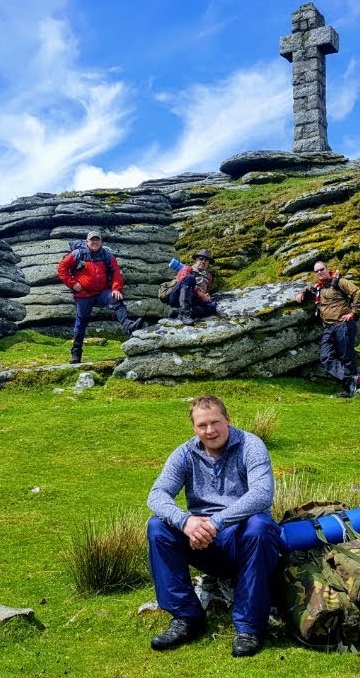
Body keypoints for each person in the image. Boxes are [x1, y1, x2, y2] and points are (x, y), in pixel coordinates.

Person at [146, 395, 280, 658]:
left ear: (227, 419)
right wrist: (185, 521)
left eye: (215, 422)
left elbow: (263, 494)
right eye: (202, 425)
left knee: (260, 525)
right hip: (202, 541)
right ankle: (186, 618)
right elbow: (157, 494)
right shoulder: (185, 453)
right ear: (194, 427)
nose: (210, 430)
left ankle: (249, 628)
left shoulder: (250, 445)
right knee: (157, 526)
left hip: (242, 539)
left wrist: (216, 522)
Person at [56, 230, 145, 364]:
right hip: (84, 293)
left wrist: (116, 288)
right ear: (87, 242)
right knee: (81, 322)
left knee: (116, 299)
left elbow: (116, 273)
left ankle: (128, 326)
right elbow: (62, 268)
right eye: (92, 240)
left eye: (97, 240)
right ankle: (76, 354)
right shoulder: (78, 254)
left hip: (102, 292)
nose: (95, 242)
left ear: (101, 242)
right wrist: (72, 283)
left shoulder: (107, 255)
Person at [295, 260, 360, 397]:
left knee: (346, 357)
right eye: (316, 271)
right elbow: (308, 288)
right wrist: (301, 292)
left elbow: (358, 293)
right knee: (326, 357)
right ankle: (351, 379)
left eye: (321, 269)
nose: (319, 272)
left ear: (327, 269)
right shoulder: (319, 287)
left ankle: (350, 390)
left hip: (343, 325)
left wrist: (353, 313)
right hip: (328, 328)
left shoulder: (340, 282)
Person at [164, 249, 217, 324]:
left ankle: (178, 311)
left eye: (206, 260)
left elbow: (206, 291)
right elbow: (182, 282)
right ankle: (185, 315)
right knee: (190, 278)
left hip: (193, 300)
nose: (203, 262)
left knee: (212, 306)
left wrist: (206, 296)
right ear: (196, 260)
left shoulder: (208, 276)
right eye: (201, 259)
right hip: (177, 297)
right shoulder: (187, 269)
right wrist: (201, 295)